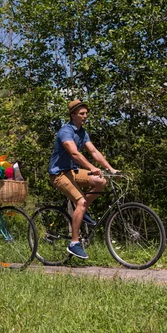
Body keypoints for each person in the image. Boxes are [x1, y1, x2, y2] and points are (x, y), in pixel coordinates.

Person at [48, 100, 119, 259]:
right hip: (59, 174)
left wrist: (110, 168)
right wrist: (91, 168)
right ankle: (74, 243)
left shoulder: (82, 132)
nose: (85, 116)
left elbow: (94, 152)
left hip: (73, 171)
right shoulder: (65, 131)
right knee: (80, 202)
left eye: (86, 113)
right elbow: (74, 153)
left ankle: (83, 210)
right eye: (82, 113)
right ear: (72, 115)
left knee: (101, 181)